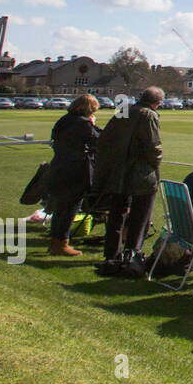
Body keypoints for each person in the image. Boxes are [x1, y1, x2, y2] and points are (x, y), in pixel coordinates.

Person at [95, 86, 163, 268]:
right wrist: (156, 163)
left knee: (116, 214)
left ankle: (111, 253)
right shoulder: (148, 115)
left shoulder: (124, 111)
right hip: (139, 172)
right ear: (158, 103)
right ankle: (132, 254)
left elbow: (105, 138)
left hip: (118, 170)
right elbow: (153, 146)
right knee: (141, 215)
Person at [45, 94, 100, 257]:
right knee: (70, 209)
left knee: (61, 207)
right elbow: (98, 140)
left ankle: (55, 241)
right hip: (75, 170)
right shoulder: (83, 124)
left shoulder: (64, 120)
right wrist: (93, 125)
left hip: (59, 167)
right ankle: (61, 242)